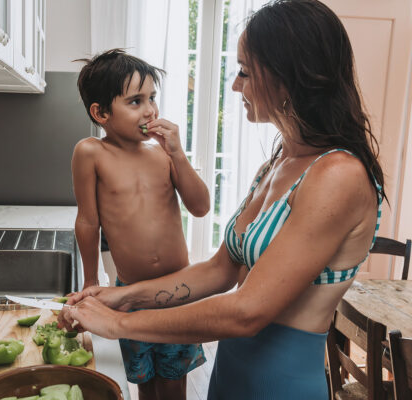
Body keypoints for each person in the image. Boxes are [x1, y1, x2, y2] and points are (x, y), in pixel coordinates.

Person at [59, 1, 386, 399]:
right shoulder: (279, 163)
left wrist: (120, 323)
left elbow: (248, 311)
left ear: (288, 78)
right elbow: (220, 269)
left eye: (245, 72)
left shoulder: (339, 175)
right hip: (230, 378)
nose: (235, 86)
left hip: (279, 388)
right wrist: (120, 295)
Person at [71, 48, 211, 400]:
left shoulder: (163, 153)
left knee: (174, 381)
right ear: (100, 112)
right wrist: (91, 280)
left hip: (178, 292)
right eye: (135, 101)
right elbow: (88, 222)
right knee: (144, 381)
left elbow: (201, 207)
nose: (150, 110)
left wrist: (178, 153)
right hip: (129, 292)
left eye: (152, 98)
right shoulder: (91, 153)